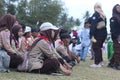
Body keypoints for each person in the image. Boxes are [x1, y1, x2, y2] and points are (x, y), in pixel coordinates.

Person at [89, 3, 107, 68]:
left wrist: (91, 35)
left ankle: (97, 63)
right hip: (104, 33)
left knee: (96, 47)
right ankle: (101, 62)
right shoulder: (103, 15)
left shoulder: (95, 15)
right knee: (99, 47)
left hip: (98, 34)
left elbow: (93, 26)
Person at [108, 4, 120, 70]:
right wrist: (117, 36)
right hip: (116, 37)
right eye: (118, 7)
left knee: (117, 50)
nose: (119, 8)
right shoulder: (113, 18)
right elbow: (113, 29)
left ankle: (111, 63)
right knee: (117, 50)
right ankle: (117, 65)